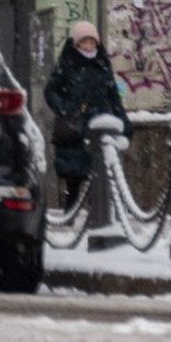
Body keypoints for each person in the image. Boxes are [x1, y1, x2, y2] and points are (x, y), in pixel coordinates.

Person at [43, 19, 129, 206]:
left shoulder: (102, 63)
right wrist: (66, 108)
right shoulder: (68, 63)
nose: (89, 46)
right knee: (74, 177)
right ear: (77, 43)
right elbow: (50, 91)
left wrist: (123, 120)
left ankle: (99, 215)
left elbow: (113, 94)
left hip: (101, 124)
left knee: (101, 174)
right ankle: (71, 211)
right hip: (76, 127)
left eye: (92, 42)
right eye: (84, 42)